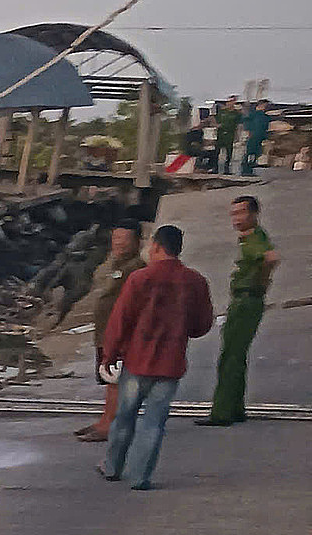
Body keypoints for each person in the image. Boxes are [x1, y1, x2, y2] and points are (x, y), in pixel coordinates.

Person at [98, 224, 213, 490]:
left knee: (125, 417)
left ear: (157, 247)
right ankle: (141, 477)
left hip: (137, 361)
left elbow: (120, 320)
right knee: (154, 423)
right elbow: (202, 324)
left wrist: (109, 353)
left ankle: (113, 467)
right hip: (170, 364)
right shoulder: (195, 281)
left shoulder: (140, 278)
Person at [197, 194, 279, 426]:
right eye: (233, 214)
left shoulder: (254, 238)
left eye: (241, 213)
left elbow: (271, 258)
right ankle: (235, 408)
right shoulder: (249, 238)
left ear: (253, 214)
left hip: (246, 301)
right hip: (246, 299)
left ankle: (221, 413)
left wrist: (260, 282)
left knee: (230, 357)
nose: (236, 219)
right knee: (237, 355)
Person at [76, 220, 146, 442]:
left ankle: (112, 424)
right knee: (108, 378)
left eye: (124, 240)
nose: (119, 244)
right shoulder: (114, 264)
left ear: (137, 242)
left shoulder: (135, 268)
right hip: (105, 331)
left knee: (116, 379)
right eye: (116, 239)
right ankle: (105, 419)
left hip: (119, 333)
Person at [240, 101, 273, 176]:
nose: (265, 107)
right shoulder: (253, 115)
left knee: (256, 153)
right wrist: (248, 132)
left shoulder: (265, 116)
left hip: (259, 136)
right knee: (249, 153)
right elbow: (246, 123)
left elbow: (266, 127)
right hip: (253, 136)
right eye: (264, 105)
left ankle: (250, 168)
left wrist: (265, 136)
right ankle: (245, 169)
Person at [214, 100, 241, 175]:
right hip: (221, 134)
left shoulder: (236, 113)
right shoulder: (222, 112)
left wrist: (237, 135)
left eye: (232, 102)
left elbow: (238, 125)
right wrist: (216, 125)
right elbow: (216, 120)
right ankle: (215, 167)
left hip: (230, 134)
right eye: (229, 102)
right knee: (217, 151)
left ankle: (227, 168)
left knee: (229, 151)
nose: (230, 103)